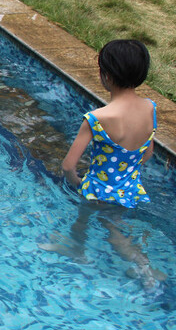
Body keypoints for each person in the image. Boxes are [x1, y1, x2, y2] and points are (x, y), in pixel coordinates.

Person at [62, 39, 157, 207]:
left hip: (96, 192)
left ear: (106, 76)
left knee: (82, 221)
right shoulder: (150, 107)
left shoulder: (96, 118)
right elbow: (148, 153)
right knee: (115, 221)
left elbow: (68, 166)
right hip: (129, 191)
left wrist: (79, 184)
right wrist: (123, 176)